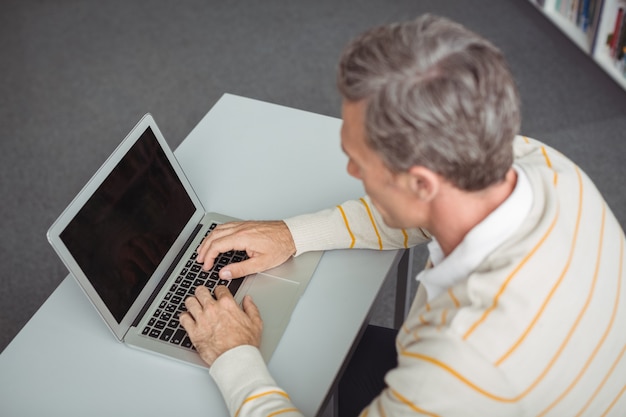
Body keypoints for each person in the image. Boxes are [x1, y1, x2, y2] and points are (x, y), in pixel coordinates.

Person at [179, 14, 626, 417]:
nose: (351, 171)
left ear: (421, 184)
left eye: (359, 161)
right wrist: (294, 234)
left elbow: (460, 373)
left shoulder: (467, 360)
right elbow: (420, 213)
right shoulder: (546, 167)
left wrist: (233, 356)